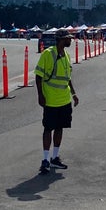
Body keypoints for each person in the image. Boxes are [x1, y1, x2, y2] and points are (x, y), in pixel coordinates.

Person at [35, 28, 79, 174]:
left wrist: (74, 94)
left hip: (64, 100)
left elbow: (67, 78)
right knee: (48, 129)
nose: (71, 40)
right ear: (62, 40)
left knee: (60, 128)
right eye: (68, 38)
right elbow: (38, 76)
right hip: (51, 100)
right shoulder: (48, 54)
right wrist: (40, 95)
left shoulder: (66, 55)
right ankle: (45, 159)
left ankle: (55, 157)